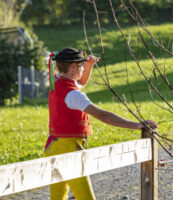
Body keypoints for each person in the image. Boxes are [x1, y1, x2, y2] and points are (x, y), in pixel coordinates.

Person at [45, 48, 158, 200]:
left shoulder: (59, 84)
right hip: (69, 150)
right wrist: (136, 125)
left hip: (53, 146)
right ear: (73, 67)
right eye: (81, 66)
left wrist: (89, 65)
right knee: (86, 197)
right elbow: (103, 115)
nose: (83, 68)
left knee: (58, 197)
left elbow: (81, 81)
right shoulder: (74, 95)